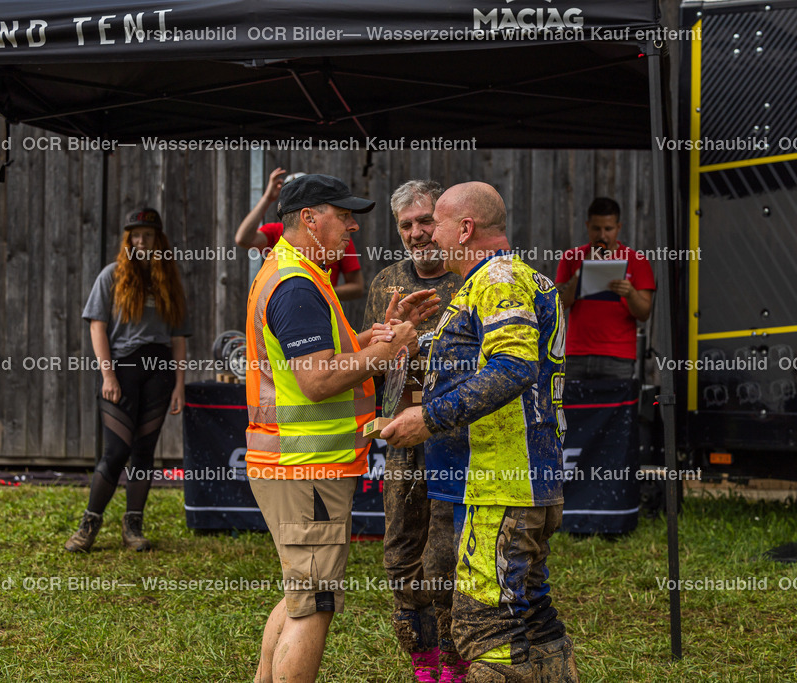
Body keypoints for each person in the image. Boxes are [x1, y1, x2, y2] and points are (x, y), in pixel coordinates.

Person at [244, 173, 439, 683]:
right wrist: (390, 349)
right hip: (306, 467)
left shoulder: (296, 272)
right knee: (316, 603)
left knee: (299, 593)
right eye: (344, 214)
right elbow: (316, 379)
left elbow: (315, 357)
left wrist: (367, 335)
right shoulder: (297, 285)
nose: (354, 225)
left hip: (297, 465)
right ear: (310, 219)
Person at [383, 182, 578, 683]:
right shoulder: (511, 281)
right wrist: (405, 338)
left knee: (483, 625)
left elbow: (513, 366)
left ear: (465, 228)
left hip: (502, 485)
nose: (428, 236)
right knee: (531, 615)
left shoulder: (498, 279)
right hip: (517, 482)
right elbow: (474, 365)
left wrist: (426, 418)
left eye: (437, 225)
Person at [361, 180, 467, 682]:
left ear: (444, 222)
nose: (418, 233)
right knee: (401, 550)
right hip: (402, 436)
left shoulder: (471, 279)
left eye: (425, 221)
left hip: (454, 437)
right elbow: (373, 366)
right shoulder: (386, 281)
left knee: (446, 554)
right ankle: (422, 662)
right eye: (406, 225)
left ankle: (454, 658)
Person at [66, 207, 190, 552]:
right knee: (117, 450)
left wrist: (179, 383)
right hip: (121, 370)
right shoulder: (111, 275)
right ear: (127, 239)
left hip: (160, 371)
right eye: (135, 235)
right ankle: (89, 523)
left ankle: (132, 526)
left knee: (144, 452)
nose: (141, 241)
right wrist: (108, 374)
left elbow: (178, 338)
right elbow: (97, 327)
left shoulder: (169, 280)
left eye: (147, 235)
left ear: (157, 239)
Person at [554, 197, 655, 380]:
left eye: (608, 229)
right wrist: (580, 274)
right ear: (587, 226)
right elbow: (557, 304)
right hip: (577, 353)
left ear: (618, 227)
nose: (602, 236)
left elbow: (644, 313)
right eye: (596, 229)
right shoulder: (571, 257)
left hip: (618, 355)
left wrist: (630, 293)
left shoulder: (636, 260)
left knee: (615, 408)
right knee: (575, 408)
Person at [235, 167, 364, 300]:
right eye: (343, 215)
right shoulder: (277, 232)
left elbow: (356, 286)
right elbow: (243, 239)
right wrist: (267, 198)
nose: (354, 226)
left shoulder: (339, 237)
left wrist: (318, 292)